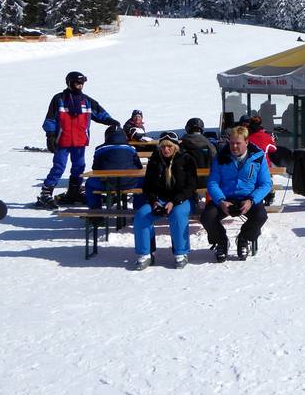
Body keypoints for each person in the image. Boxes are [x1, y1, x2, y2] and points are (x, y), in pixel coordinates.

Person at [37, 71, 119, 209]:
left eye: (82, 83)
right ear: (69, 83)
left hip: (79, 141)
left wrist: (111, 121)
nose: (80, 86)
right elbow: (50, 118)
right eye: (77, 83)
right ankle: (45, 194)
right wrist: (50, 135)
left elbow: (100, 113)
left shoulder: (86, 101)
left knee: (79, 167)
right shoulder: (59, 99)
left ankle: (74, 192)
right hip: (62, 140)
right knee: (59, 167)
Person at [201, 126, 273, 262]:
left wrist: (251, 200)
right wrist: (221, 201)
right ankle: (221, 241)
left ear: (246, 142)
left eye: (238, 143)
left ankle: (244, 238)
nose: (234, 146)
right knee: (207, 217)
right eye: (231, 143)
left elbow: (266, 184)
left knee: (260, 216)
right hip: (225, 198)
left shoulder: (258, 157)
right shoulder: (221, 157)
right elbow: (212, 182)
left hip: (248, 198)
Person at [133, 132, 198, 270]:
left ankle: (181, 253)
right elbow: (148, 186)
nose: (166, 149)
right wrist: (154, 201)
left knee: (178, 215)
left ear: (175, 147)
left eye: (169, 146)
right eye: (163, 147)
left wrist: (174, 201)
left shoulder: (187, 159)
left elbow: (191, 186)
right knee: (142, 215)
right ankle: (145, 253)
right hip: (160, 199)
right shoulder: (155, 161)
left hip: (182, 198)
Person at [85, 125, 144, 221]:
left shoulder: (100, 149)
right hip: (130, 183)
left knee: (89, 183)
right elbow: (139, 167)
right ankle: (139, 212)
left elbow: (95, 169)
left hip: (108, 183)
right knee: (144, 183)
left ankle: (95, 213)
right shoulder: (131, 148)